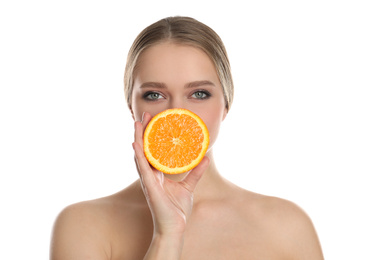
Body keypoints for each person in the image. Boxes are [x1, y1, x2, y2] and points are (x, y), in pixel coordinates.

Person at [50, 16, 324, 259]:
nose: (177, 114)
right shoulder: (82, 225)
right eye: (154, 95)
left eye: (199, 94)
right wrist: (167, 236)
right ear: (131, 106)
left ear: (226, 104)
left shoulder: (287, 227)